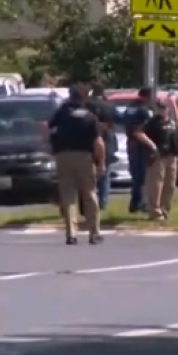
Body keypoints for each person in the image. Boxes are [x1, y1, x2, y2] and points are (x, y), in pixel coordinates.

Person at [49, 83, 105, 246]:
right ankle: (94, 232)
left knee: (68, 196)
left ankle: (71, 234)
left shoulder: (61, 113)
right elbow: (98, 141)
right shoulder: (89, 115)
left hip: (63, 155)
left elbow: (49, 129)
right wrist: (101, 162)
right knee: (89, 194)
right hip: (84, 156)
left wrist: (51, 149)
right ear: (84, 97)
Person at [143, 101, 178, 220]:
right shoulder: (152, 123)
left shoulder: (173, 123)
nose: (162, 110)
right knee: (156, 184)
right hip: (158, 156)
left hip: (172, 156)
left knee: (170, 184)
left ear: (168, 109)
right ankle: (155, 211)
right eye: (160, 108)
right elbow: (142, 135)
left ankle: (165, 209)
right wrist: (152, 148)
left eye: (164, 108)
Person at [124, 87, 155, 213]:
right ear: (147, 97)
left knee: (135, 175)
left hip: (131, 142)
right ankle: (140, 203)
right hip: (141, 143)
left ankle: (135, 202)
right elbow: (148, 125)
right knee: (142, 175)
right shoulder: (144, 110)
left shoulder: (130, 108)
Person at [87, 83, 117, 210]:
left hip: (90, 143)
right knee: (104, 175)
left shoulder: (87, 105)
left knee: (90, 176)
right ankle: (103, 202)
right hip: (107, 142)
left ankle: (90, 202)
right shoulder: (110, 106)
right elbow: (115, 122)